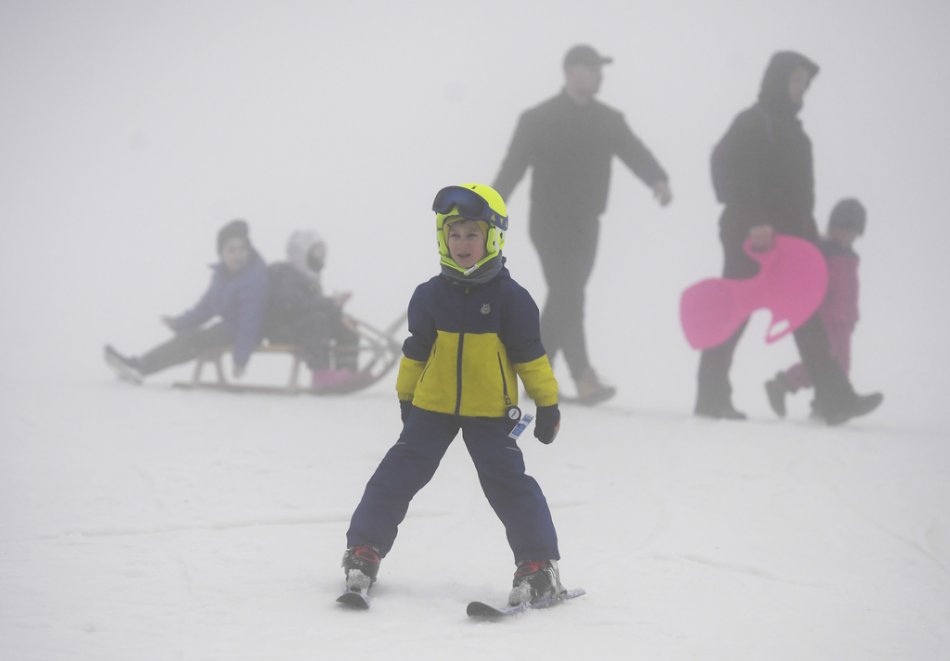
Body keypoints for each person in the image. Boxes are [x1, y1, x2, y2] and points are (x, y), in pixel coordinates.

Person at [341, 184, 565, 607]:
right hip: (432, 408)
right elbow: (415, 351)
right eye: (454, 234)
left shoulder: (511, 299)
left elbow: (530, 356)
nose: (462, 243)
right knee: (395, 476)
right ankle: (364, 551)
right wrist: (407, 397)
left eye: (472, 234)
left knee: (509, 485)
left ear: (492, 238)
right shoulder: (430, 295)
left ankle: (539, 566)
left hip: (491, 412)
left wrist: (547, 403)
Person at [695, 51, 882, 425]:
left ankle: (835, 399)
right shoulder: (753, 122)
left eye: (805, 82)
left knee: (807, 314)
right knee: (734, 313)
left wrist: (811, 242)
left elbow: (801, 199)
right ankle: (711, 397)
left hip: (790, 243)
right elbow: (735, 174)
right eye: (796, 80)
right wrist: (756, 223)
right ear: (777, 80)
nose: (801, 88)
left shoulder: (796, 133)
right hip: (750, 238)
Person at [492, 44, 672, 405]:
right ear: (572, 72)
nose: (600, 77)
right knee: (569, 292)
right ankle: (583, 376)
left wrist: (658, 179)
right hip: (548, 221)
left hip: (587, 223)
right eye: (593, 70)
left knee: (565, 296)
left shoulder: (608, 120)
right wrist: (488, 208)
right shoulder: (538, 118)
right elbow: (513, 167)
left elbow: (634, 151)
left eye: (600, 71)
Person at [103, 219, 268, 383]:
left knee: (192, 340)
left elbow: (250, 323)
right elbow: (207, 307)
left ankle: (141, 367)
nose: (238, 255)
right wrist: (180, 322)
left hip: (248, 333)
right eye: (231, 250)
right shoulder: (224, 275)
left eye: (242, 249)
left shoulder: (254, 278)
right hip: (231, 328)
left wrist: (240, 360)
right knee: (189, 336)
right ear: (222, 254)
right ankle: (140, 365)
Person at [765, 199, 868, 417]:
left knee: (842, 364)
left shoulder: (850, 258)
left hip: (844, 319)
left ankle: (823, 404)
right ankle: (784, 384)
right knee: (825, 361)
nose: (847, 238)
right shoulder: (823, 251)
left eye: (853, 234)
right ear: (832, 227)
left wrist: (852, 317)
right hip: (826, 315)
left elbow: (851, 290)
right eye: (844, 231)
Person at [264, 229, 360, 389]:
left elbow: (315, 306)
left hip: (302, 328)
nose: (319, 258)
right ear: (302, 254)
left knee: (346, 323)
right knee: (318, 322)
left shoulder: (311, 279)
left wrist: (335, 308)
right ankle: (321, 374)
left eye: (322, 254)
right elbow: (294, 306)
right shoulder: (286, 275)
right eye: (316, 253)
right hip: (282, 329)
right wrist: (329, 303)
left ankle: (347, 371)